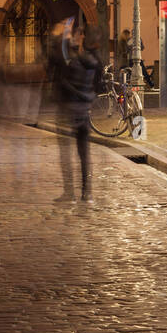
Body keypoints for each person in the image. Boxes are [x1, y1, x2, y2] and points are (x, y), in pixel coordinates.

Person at [55, 24, 105, 205]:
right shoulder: (96, 61)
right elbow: (98, 87)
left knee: (66, 155)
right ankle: (86, 192)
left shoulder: (75, 61)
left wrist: (64, 41)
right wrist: (89, 97)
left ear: (83, 37)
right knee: (84, 154)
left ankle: (69, 192)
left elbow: (63, 79)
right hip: (84, 110)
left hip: (70, 110)